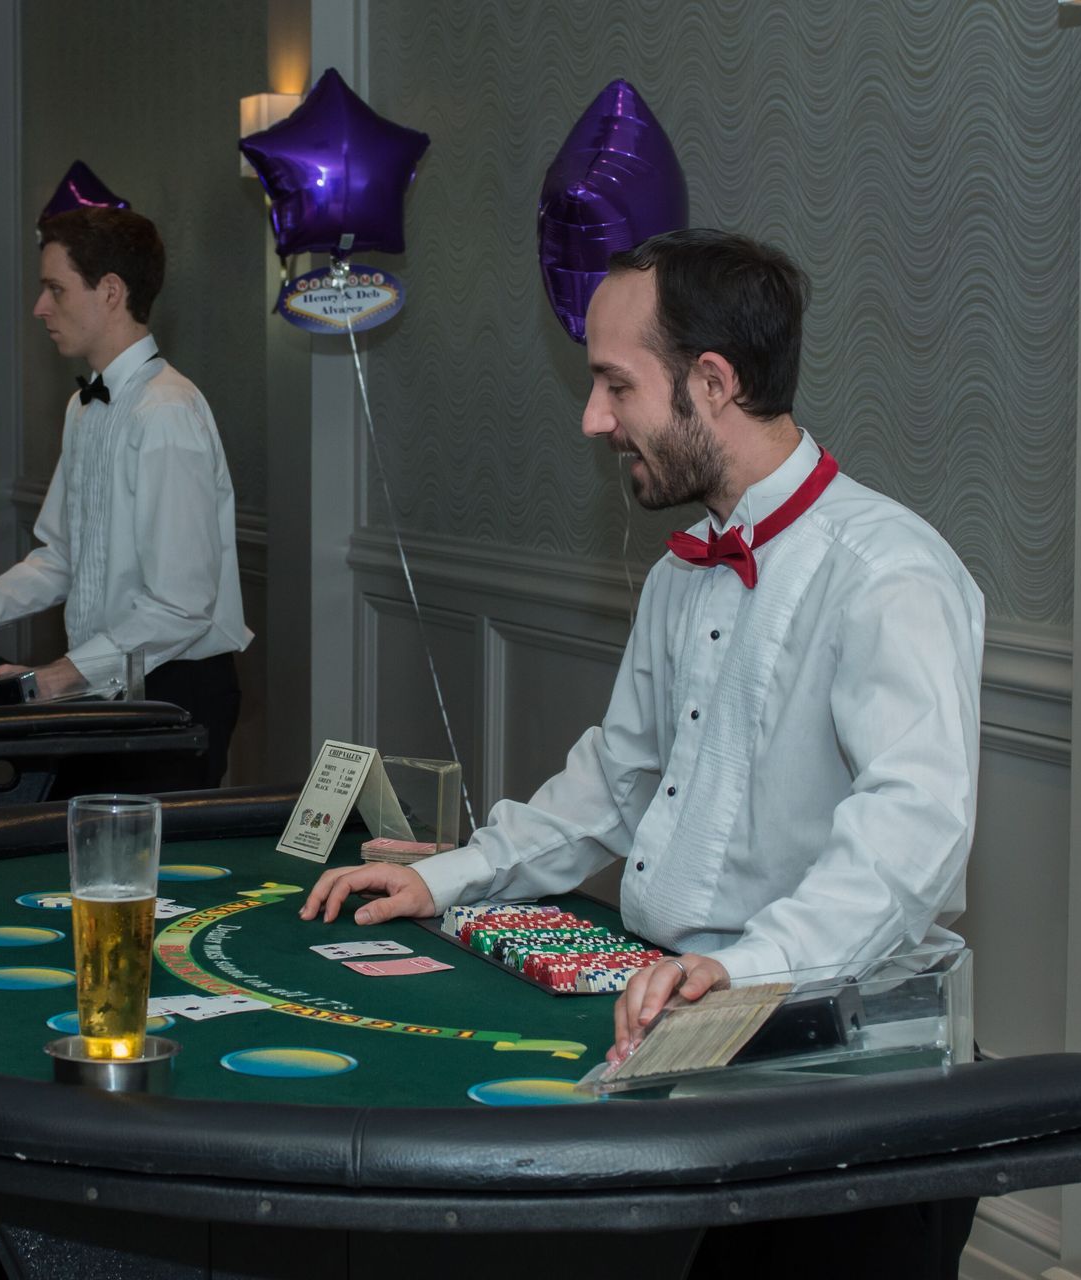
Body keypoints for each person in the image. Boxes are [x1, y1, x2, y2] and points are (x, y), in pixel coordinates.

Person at [301, 230, 985, 1280]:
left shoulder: (890, 574)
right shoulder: (679, 577)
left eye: (616, 384)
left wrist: (737, 970)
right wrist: (445, 874)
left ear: (712, 382)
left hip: (848, 1074)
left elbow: (910, 841)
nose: (593, 418)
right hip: (683, 1030)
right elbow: (613, 782)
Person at [0, 207, 251, 787]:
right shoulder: (83, 406)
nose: (40, 308)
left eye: (55, 289)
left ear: (110, 292)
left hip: (172, 696)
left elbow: (182, 605)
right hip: (107, 687)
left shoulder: (166, 412)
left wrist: (51, 680)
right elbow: (58, 558)